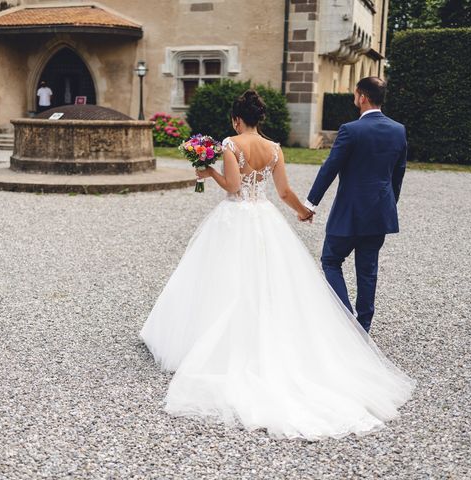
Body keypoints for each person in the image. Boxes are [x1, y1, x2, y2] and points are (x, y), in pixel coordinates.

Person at [140, 89, 414, 440]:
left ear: (237, 119)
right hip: (266, 218)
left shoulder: (230, 144)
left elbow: (234, 187)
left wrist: (208, 172)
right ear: (260, 118)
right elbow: (283, 192)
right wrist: (303, 211)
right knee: (270, 280)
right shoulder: (274, 149)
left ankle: (212, 340)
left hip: (236, 218)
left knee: (221, 279)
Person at [303, 77, 407, 333]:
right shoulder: (398, 130)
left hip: (348, 213)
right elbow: (398, 173)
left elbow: (330, 168)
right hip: (380, 213)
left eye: (355, 93)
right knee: (368, 269)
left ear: (362, 97)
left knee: (330, 260)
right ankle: (364, 326)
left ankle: (346, 318)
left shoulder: (350, 130)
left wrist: (310, 203)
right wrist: (389, 204)